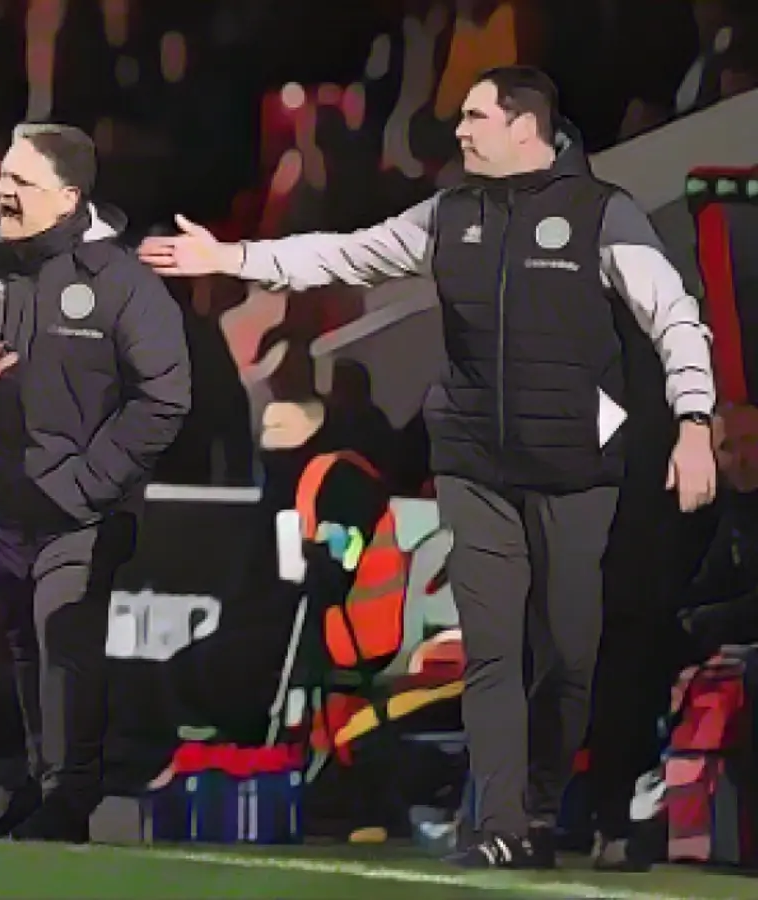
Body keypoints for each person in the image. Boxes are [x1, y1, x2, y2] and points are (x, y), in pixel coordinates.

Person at [138, 66, 718, 869]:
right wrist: (230, 254)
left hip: (585, 470)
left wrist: (693, 420)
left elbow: (672, 318)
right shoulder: (450, 218)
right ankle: (508, 824)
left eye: (477, 116)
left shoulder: (603, 218)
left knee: (576, 653)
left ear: (529, 129)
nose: (461, 129)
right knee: (492, 651)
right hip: (479, 466)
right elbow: (344, 255)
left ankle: (567, 809)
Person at [0, 123, 191, 842]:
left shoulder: (124, 282)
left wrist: (89, 482)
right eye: (3, 175)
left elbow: (165, 397)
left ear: (69, 197)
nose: (3, 190)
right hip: (7, 500)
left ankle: (70, 800)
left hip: (87, 510)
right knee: (25, 648)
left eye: (23, 182)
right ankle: (40, 788)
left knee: (63, 639)